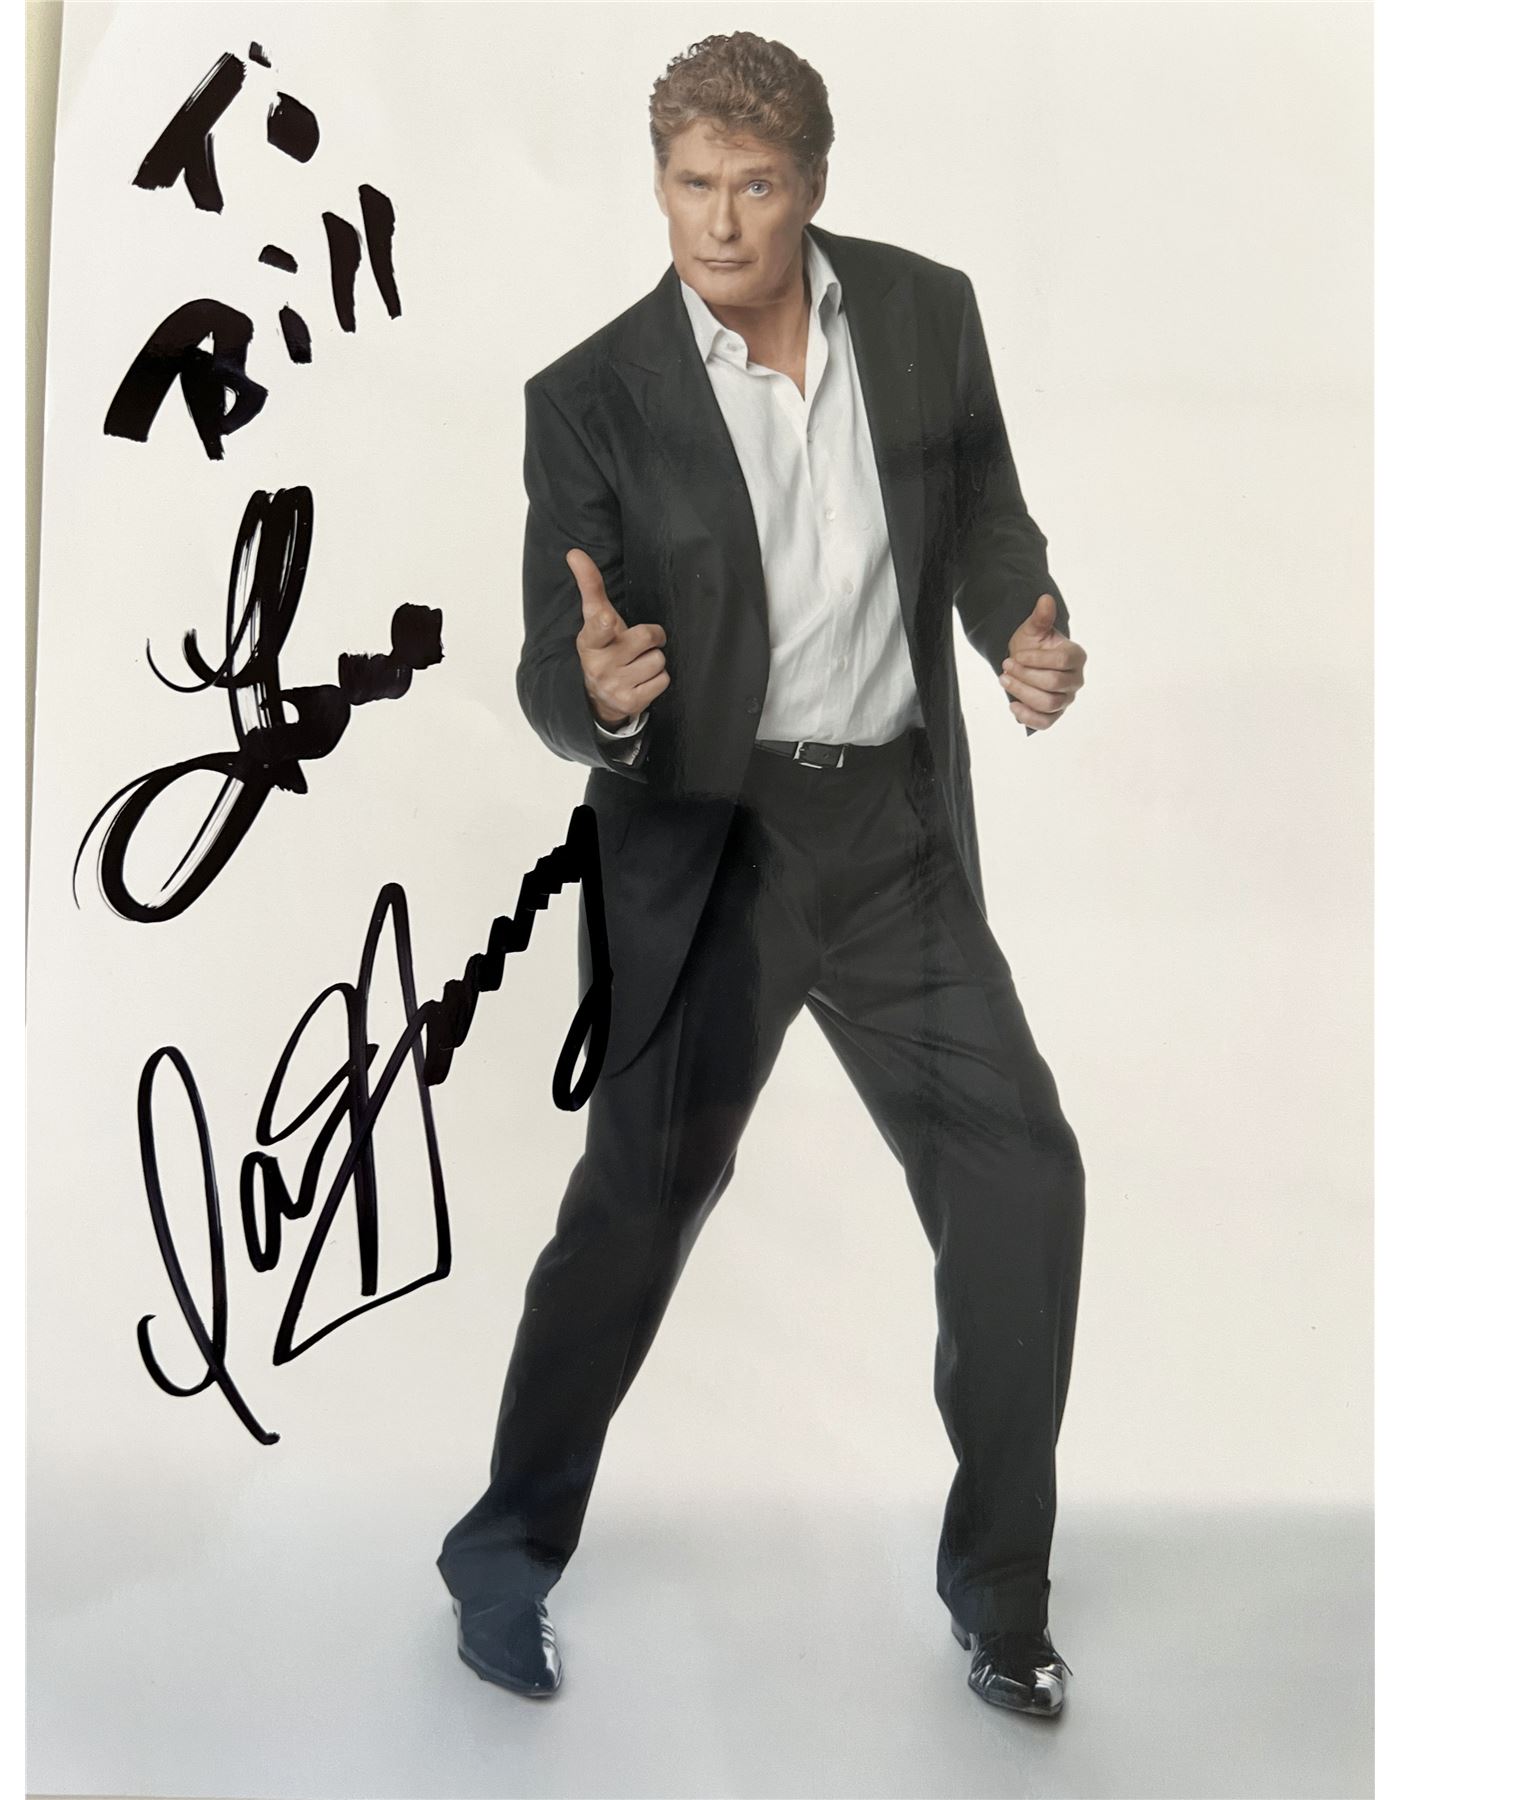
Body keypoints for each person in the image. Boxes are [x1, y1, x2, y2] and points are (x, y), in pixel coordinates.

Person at [438, 30, 1090, 1717]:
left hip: (893, 841)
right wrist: (596, 695)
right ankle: (500, 1561)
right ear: (658, 183)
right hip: (709, 848)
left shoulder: (926, 313)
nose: (717, 222)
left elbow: (988, 519)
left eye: (753, 185)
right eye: (688, 184)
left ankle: (1002, 1600)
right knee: (632, 1212)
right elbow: (550, 660)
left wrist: (1018, 628)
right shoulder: (591, 397)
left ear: (810, 187)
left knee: (1022, 1178)